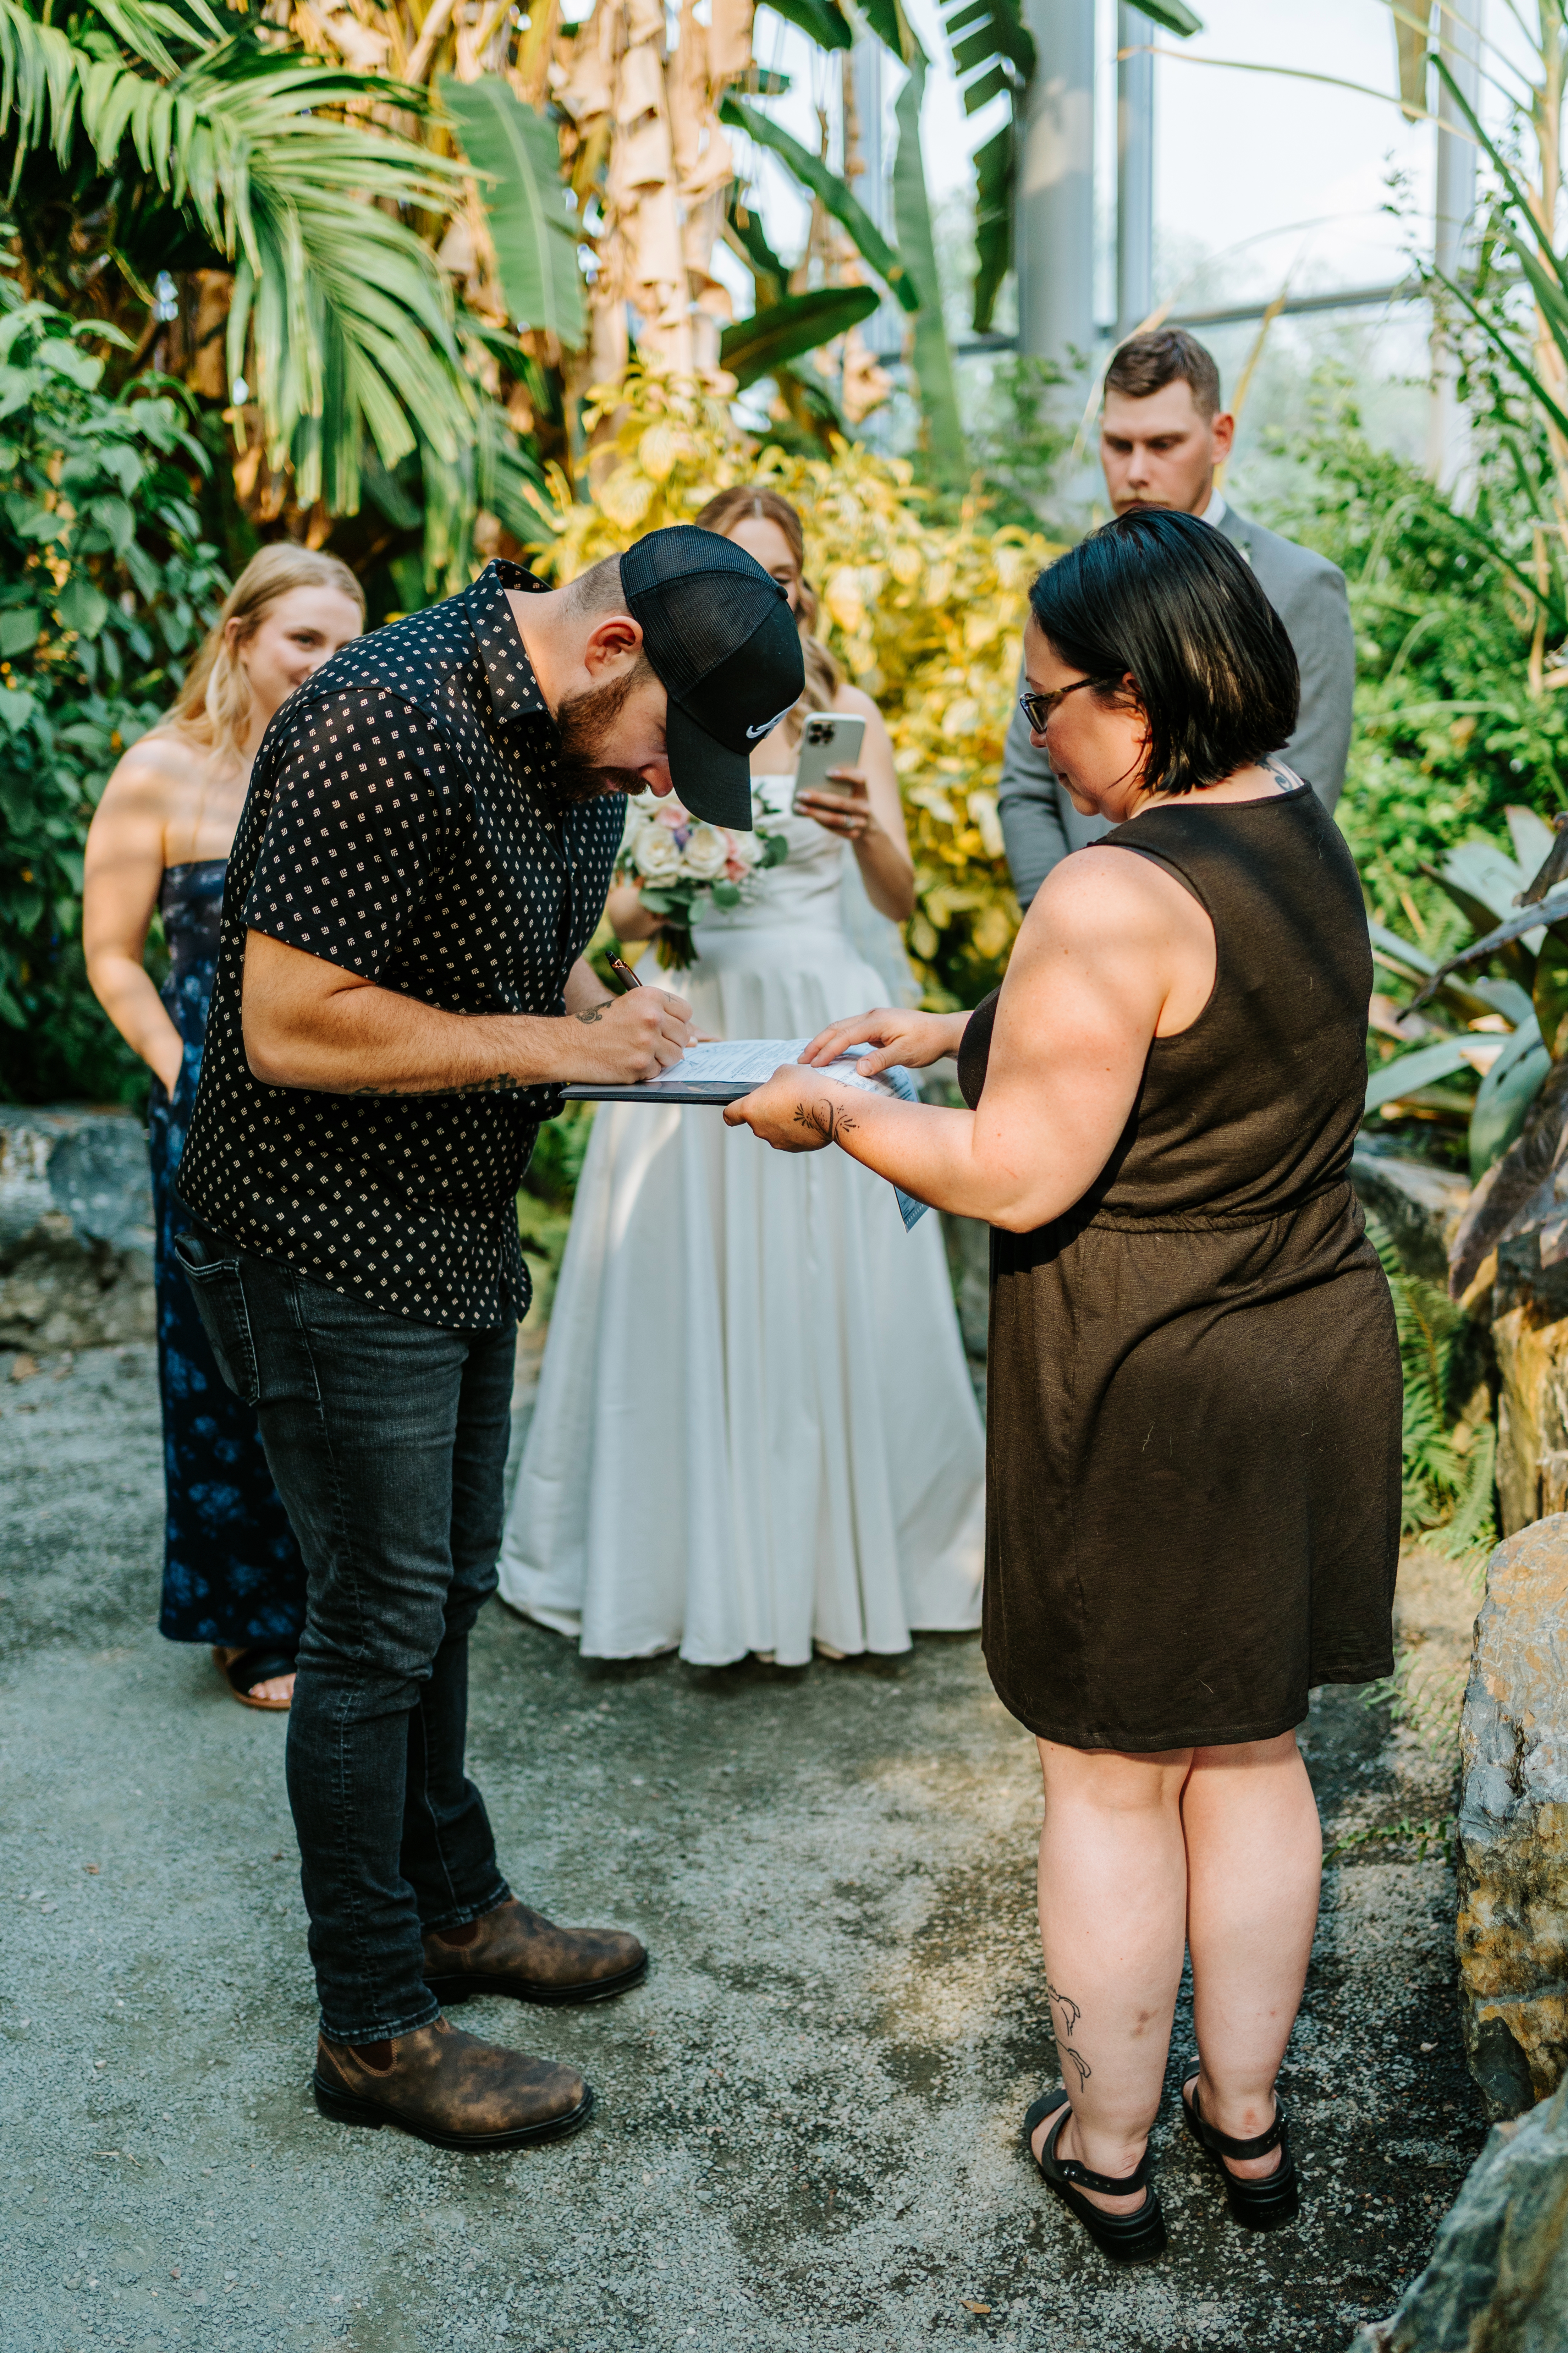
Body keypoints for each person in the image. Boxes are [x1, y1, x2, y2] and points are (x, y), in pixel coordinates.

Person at [725, 507, 1400, 2261]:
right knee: (1252, 1753)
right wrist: (953, 1025)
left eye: (1047, 706)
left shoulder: (1109, 886)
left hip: (1147, 1382)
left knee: (1109, 1775)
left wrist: (839, 1110)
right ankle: (1240, 2127)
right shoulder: (1293, 825)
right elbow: (1204, 1028)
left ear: (1141, 689)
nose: (1034, 736)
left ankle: (1105, 2149)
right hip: (1302, 1344)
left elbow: (1024, 1171)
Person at [172, 527, 807, 2153]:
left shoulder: (567, 741)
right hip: (318, 1234)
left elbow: (511, 923)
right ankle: (374, 2027)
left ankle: (456, 1905)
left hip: (444, 1219)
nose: (671, 777)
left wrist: (609, 1007)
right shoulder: (381, 723)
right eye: (674, 737)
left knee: (441, 1581)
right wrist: (551, 1038)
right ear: (610, 653)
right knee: (374, 1618)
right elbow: (285, 1019)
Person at [497, 487, 984, 1667]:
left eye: (785, 575)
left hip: (814, 1012)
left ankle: (837, 1570)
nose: (771, 593)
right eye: (746, 570)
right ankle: (672, 1567)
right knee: (674, 1273)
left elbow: (901, 896)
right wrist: (671, 869)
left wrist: (865, 823)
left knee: (829, 1283)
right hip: (704, 1008)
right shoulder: (662, 718)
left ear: (804, 586)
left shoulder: (844, 710)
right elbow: (608, 909)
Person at [83, 546, 365, 1710]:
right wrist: (179, 1072)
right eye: (306, 640)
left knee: (344, 1359)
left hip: (342, 1102)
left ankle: (354, 1598)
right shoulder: (157, 772)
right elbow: (113, 955)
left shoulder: (353, 771)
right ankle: (250, 1618)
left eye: (348, 647)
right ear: (240, 636)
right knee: (222, 1357)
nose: (326, 665)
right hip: (209, 1106)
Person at [997, 327, 1356, 909]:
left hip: (1223, 935)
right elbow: (1027, 785)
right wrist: (1063, 927)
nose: (1137, 471)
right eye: (1119, 445)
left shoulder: (1297, 585)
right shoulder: (1070, 589)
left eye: (1163, 444)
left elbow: (1297, 798)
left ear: (1220, 438)